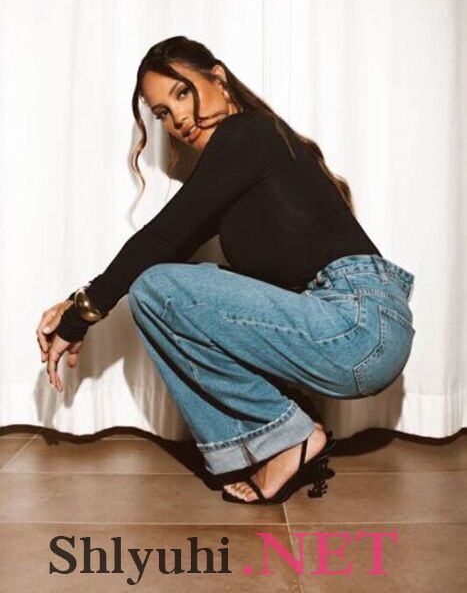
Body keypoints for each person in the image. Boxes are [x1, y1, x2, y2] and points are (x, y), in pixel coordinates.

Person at [36, 35, 416, 505]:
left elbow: (160, 239)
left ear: (217, 78)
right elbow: (171, 258)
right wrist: (74, 303)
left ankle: (286, 438)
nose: (177, 119)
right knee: (171, 289)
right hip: (356, 327)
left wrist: (78, 316)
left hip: (358, 325)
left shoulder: (248, 133)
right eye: (162, 112)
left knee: (156, 287)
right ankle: (286, 430)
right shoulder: (244, 167)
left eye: (182, 93)